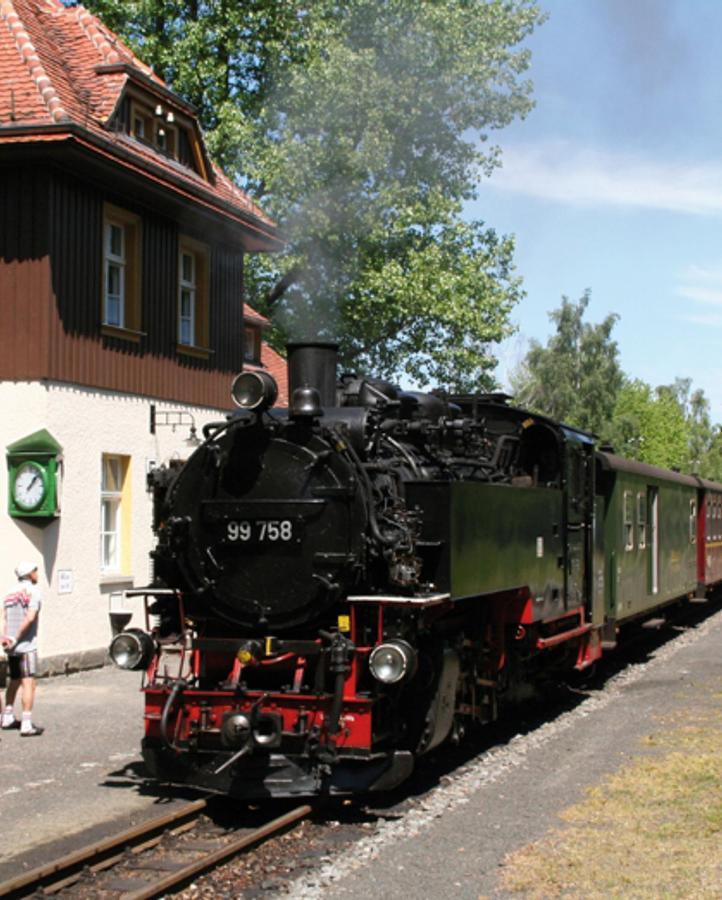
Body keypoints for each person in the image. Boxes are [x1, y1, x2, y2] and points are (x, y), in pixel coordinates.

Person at [1, 561, 44, 736]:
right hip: (26, 645)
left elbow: (3, 617)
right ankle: (26, 723)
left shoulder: (9, 592)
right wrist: (17, 637)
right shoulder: (34, 592)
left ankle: (7, 716)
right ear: (29, 574)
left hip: (11, 646)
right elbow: (30, 617)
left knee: (15, 679)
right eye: (35, 570)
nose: (37, 573)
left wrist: (5, 637)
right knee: (29, 682)